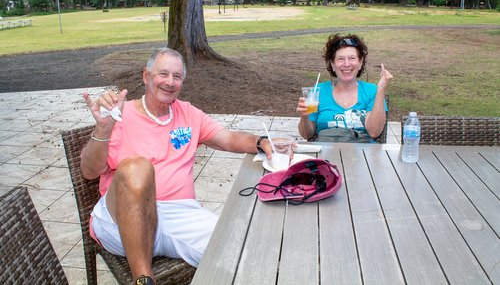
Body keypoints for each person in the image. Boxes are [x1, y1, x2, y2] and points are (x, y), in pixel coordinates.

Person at [80, 48, 273, 285]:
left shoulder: (188, 113)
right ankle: (143, 279)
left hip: (178, 216)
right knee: (137, 167)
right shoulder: (120, 115)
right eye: (163, 74)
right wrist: (103, 129)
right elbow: (89, 172)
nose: (170, 82)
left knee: (240, 250)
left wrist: (262, 142)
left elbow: (228, 138)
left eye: (177, 76)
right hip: (121, 220)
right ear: (146, 76)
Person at [297, 34, 393, 142]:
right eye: (341, 59)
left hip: (362, 155)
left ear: (360, 63)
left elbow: (374, 132)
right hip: (326, 156)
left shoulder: (372, 91)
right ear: (332, 64)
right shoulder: (317, 90)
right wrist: (304, 117)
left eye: (352, 58)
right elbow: (307, 135)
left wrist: (381, 90)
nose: (346, 64)